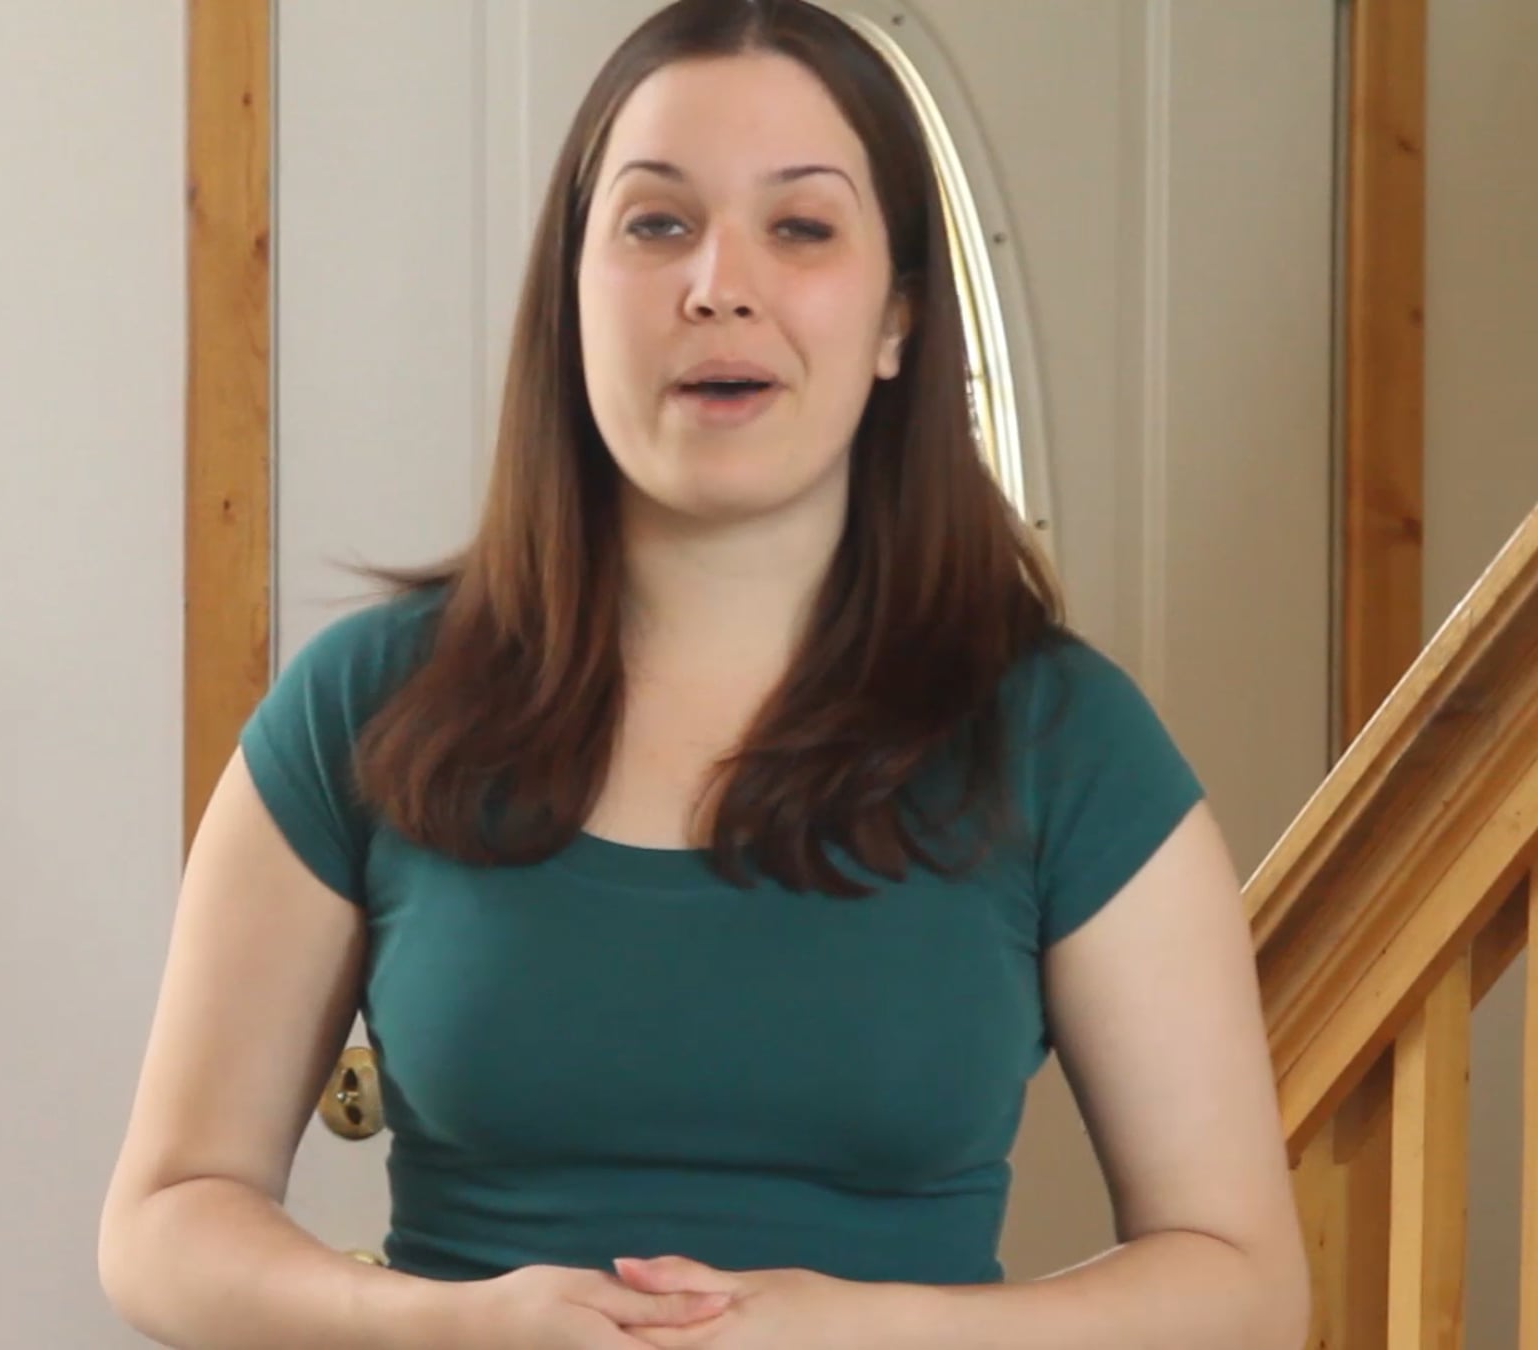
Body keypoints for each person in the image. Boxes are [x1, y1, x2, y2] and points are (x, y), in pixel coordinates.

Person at [99, 1, 1309, 1346]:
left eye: (801, 227)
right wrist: (444, 1327)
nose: (719, 284)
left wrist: (866, 1333)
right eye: (659, 223)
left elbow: (1241, 1283)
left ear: (899, 317)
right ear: (572, 296)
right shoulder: (363, 705)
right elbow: (166, 1219)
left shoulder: (1066, 739)